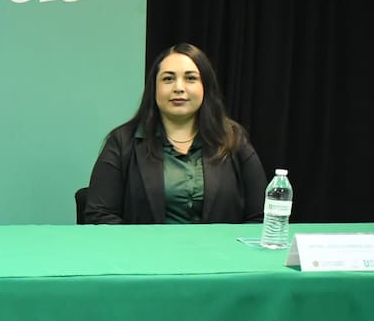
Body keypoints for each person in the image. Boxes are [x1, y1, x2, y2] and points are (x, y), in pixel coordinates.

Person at [84, 42, 266, 224]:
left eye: (191, 78)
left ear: (205, 86)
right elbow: (99, 215)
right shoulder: (122, 142)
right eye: (168, 79)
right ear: (154, 88)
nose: (179, 88)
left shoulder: (234, 139)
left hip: (220, 244)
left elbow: (261, 216)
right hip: (145, 244)